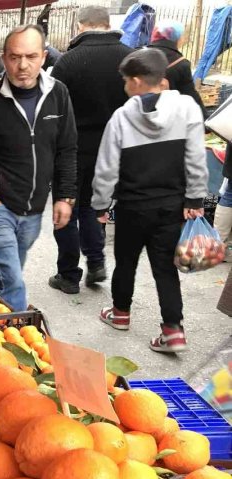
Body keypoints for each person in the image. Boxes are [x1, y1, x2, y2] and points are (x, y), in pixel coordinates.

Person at [0, 24, 77, 311]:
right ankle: (17, 340)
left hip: (33, 210)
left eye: (31, 56)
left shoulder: (58, 94)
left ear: (44, 57)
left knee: (8, 272)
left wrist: (65, 196)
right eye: (14, 57)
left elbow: (67, 148)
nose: (23, 65)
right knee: (12, 280)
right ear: (4, 57)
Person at [93, 49, 208, 353]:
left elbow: (106, 167)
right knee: (165, 268)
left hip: (132, 206)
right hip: (172, 206)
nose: (124, 88)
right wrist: (195, 196)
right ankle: (173, 331)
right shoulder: (187, 109)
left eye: (125, 82)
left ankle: (120, 314)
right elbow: (196, 157)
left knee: (126, 262)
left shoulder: (121, 116)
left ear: (135, 81)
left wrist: (100, 205)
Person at [49, 6, 132, 294]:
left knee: (66, 205)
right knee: (92, 205)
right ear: (108, 24)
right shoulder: (130, 58)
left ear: (81, 26)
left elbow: (51, 109)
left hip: (71, 149)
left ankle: (68, 275)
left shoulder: (68, 62)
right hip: (113, 148)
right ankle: (96, 261)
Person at [148, 21, 206, 116]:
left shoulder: (139, 54)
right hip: (167, 116)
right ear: (176, 39)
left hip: (141, 112)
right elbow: (190, 95)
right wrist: (205, 120)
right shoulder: (180, 63)